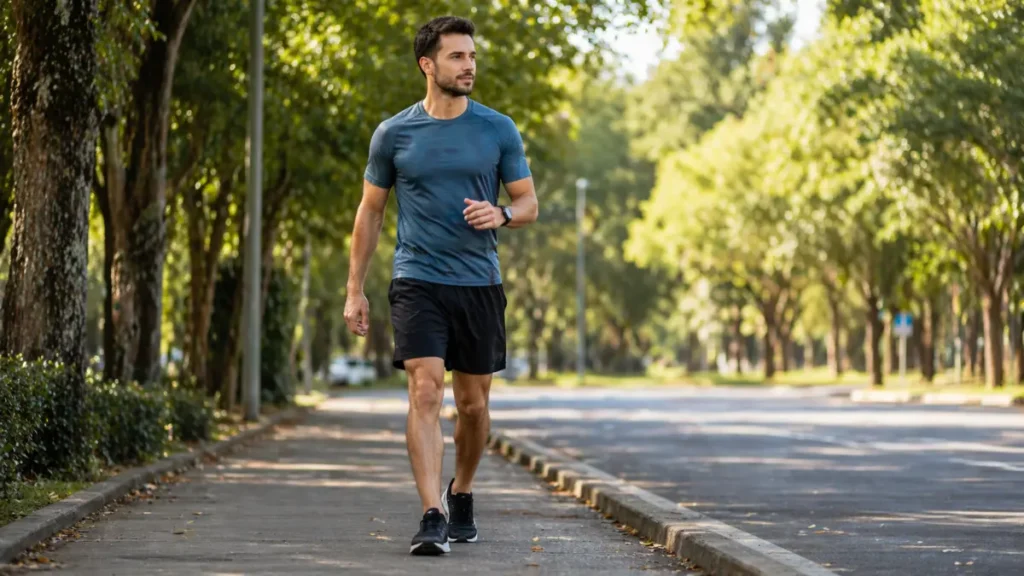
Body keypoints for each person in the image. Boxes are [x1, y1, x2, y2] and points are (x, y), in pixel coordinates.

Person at [343, 15, 538, 556]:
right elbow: (371, 212)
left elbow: (528, 204)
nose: (469, 64)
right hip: (417, 279)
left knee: (472, 407)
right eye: (457, 56)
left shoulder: (498, 129)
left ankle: (463, 491)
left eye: (472, 55)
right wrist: (354, 289)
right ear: (427, 65)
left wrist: (500, 214)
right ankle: (432, 512)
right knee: (425, 389)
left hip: (479, 282)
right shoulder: (394, 134)